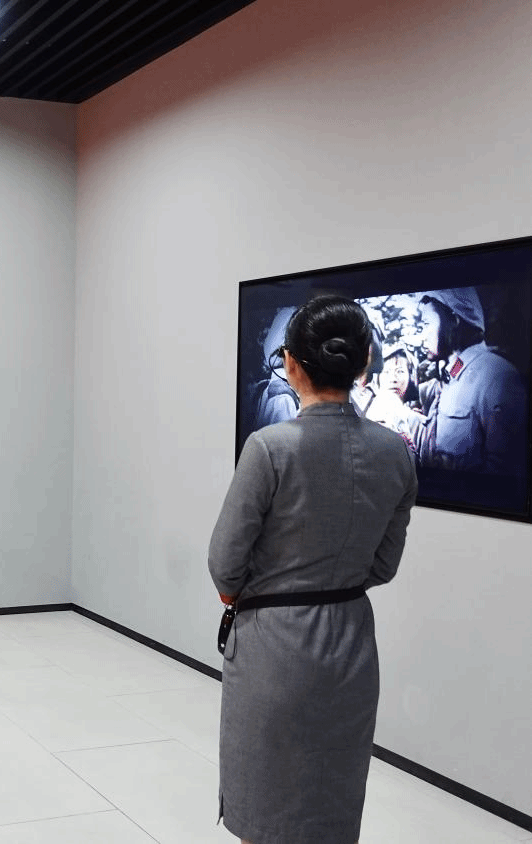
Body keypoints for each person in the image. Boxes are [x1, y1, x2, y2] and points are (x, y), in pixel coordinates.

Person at [208, 295, 417, 844]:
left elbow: (225, 561)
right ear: (364, 362)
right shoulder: (395, 452)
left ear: (292, 364)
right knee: (332, 798)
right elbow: (384, 564)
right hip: (352, 646)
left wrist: (239, 593)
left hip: (274, 648)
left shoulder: (269, 448)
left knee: (267, 803)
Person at [412, 288, 527, 475]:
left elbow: (505, 475)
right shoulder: (453, 375)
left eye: (426, 324)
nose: (421, 337)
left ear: (454, 322)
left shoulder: (497, 376)